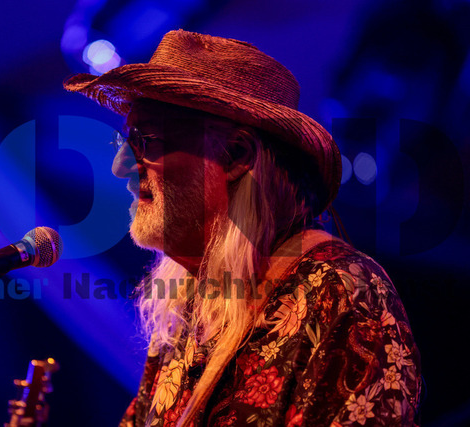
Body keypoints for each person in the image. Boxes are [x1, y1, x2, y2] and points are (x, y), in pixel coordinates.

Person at [64, 30, 421, 426]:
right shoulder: (191, 309)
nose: (120, 166)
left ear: (235, 156)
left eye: (146, 140)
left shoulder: (340, 292)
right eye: (125, 139)